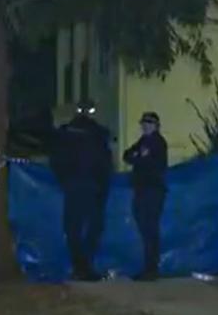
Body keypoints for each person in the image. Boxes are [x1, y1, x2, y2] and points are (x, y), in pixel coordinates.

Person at [49, 99, 113, 281]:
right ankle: (85, 266)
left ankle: (80, 267)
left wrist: (64, 180)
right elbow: (105, 162)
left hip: (76, 185)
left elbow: (56, 160)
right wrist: (102, 186)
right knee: (92, 227)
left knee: (74, 228)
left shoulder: (66, 133)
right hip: (91, 186)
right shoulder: (98, 134)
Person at [123, 111, 168, 281]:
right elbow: (128, 155)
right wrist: (138, 158)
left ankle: (151, 268)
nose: (145, 126)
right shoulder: (144, 141)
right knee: (146, 227)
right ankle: (149, 267)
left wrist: (138, 159)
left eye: (149, 123)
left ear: (156, 126)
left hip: (152, 190)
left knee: (150, 229)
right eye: (144, 123)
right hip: (143, 189)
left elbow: (150, 163)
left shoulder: (157, 142)